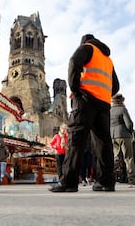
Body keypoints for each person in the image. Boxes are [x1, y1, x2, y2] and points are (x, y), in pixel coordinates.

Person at [49, 34, 119, 193]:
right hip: (103, 103)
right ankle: (106, 182)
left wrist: (75, 89)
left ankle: (69, 182)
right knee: (103, 143)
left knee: (75, 140)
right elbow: (116, 86)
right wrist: (105, 93)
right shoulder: (108, 59)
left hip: (86, 99)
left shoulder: (87, 48)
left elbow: (74, 62)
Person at [110, 93, 135, 186]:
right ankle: (132, 179)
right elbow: (129, 124)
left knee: (116, 158)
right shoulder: (122, 109)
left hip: (113, 136)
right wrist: (130, 132)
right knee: (128, 158)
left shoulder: (109, 110)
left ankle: (106, 174)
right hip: (124, 135)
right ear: (121, 101)